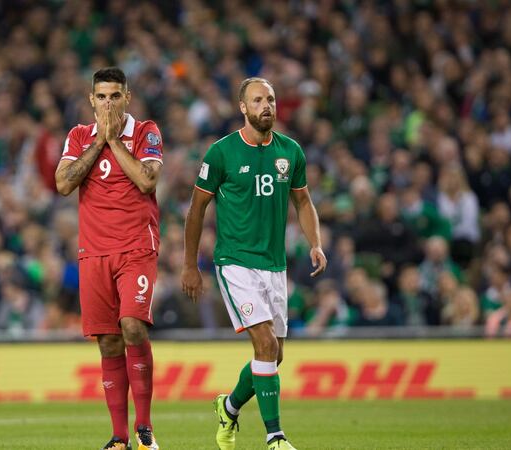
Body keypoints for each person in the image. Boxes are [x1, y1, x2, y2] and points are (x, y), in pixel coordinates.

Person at [182, 78, 327, 450]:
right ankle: (275, 436)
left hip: (274, 265)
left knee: (274, 355)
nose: (267, 105)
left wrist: (315, 243)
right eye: (258, 100)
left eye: (271, 99)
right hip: (235, 262)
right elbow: (197, 208)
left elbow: (303, 201)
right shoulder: (221, 153)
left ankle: (228, 408)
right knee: (264, 345)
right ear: (242, 108)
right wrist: (189, 264)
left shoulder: (291, 152)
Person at [55, 67, 163, 450]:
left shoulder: (146, 131)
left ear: (127, 98)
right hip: (94, 251)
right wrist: (98, 142)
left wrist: (113, 141)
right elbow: (64, 183)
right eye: (101, 97)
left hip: (136, 246)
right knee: (107, 342)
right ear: (91, 100)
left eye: (115, 96)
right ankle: (119, 437)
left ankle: (144, 426)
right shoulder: (78, 136)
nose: (108, 103)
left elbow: (148, 181)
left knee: (133, 325)